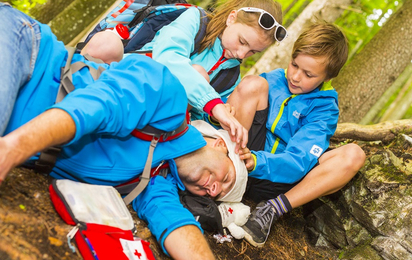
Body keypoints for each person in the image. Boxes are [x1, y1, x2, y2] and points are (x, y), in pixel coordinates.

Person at [0, 4, 250, 259]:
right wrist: (12, 148)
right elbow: (96, 107)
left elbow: (175, 223)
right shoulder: (170, 101)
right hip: (25, 53)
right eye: (226, 179)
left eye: (217, 195)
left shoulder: (157, 180)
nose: (213, 189)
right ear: (220, 144)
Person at [230, 22, 367, 247]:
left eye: (308, 74)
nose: (295, 77)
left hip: (280, 180)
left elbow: (299, 160)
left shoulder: (324, 108)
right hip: (242, 158)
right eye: (294, 65)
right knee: (252, 83)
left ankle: (272, 210)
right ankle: (223, 170)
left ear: (327, 77)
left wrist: (257, 161)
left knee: (353, 155)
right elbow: (236, 106)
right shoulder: (273, 79)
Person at [85, 0, 287, 151]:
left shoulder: (231, 76)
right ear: (231, 18)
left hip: (157, 116)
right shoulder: (195, 19)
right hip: (129, 77)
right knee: (198, 74)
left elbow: (198, 118)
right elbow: (168, 57)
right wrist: (213, 104)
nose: (242, 55)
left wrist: (217, 116)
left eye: (253, 52)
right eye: (242, 41)